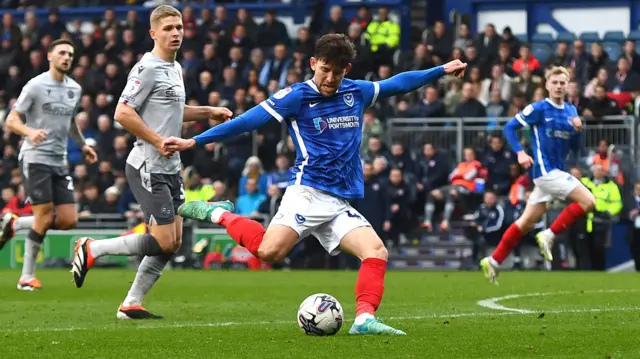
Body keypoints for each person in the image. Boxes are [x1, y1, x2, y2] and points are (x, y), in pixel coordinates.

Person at [163, 33, 467, 335]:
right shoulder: (296, 96)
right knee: (269, 253)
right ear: (313, 64)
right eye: (325, 69)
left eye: (337, 71)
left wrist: (440, 70)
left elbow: (398, 83)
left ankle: (363, 319)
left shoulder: (355, 93)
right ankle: (218, 213)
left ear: (346, 69)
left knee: (376, 251)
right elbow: (247, 121)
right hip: (307, 193)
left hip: (337, 202)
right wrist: (195, 140)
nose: (330, 78)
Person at [70, 5, 232, 319]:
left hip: (171, 166)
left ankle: (131, 303)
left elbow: (174, 110)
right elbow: (122, 113)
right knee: (164, 240)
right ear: (153, 33)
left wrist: (207, 113)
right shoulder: (147, 68)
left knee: (173, 242)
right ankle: (93, 249)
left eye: (180, 27)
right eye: (169, 28)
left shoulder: (175, 68)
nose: (176, 33)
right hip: (148, 164)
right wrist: (157, 140)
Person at [480, 66, 596, 284]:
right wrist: (520, 152)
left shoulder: (571, 111)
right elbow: (509, 128)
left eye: (563, 83)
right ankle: (549, 235)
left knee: (526, 223)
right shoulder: (538, 109)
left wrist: (579, 131)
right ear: (547, 85)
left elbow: (577, 147)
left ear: (568, 85)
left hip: (555, 172)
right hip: (545, 171)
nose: (559, 86)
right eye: (555, 82)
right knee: (588, 201)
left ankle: (493, 261)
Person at [0, 39, 98, 291]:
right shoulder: (35, 85)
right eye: (62, 53)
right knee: (43, 216)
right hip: (35, 158)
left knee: (68, 220)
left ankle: (14, 224)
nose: (67, 58)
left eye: (70, 54)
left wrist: (83, 144)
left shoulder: (74, 89)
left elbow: (70, 122)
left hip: (58, 160)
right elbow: (11, 120)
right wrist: (29, 132)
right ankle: (26, 277)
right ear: (50, 56)